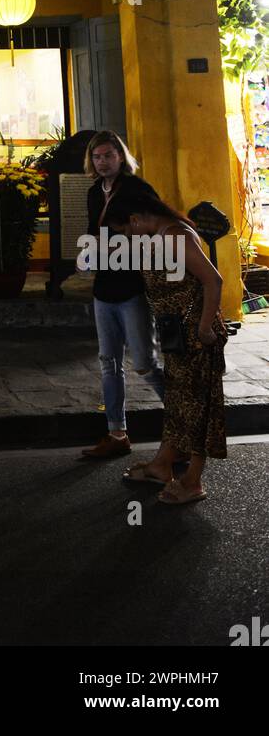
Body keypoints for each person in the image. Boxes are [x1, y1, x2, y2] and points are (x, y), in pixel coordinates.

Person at [104, 188, 226, 504]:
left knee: (197, 407)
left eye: (126, 230)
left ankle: (193, 481)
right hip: (177, 334)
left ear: (135, 219)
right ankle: (162, 464)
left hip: (195, 333)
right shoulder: (160, 234)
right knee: (177, 403)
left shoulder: (174, 236)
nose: (128, 236)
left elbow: (213, 281)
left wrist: (203, 328)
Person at [79, 130, 167, 460]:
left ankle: (184, 424)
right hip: (104, 288)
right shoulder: (92, 193)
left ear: (121, 156)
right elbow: (92, 231)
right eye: (97, 157)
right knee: (108, 362)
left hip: (133, 287)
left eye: (108, 155)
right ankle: (117, 432)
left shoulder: (137, 189)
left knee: (145, 362)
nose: (102, 162)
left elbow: (160, 228)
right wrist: (87, 254)